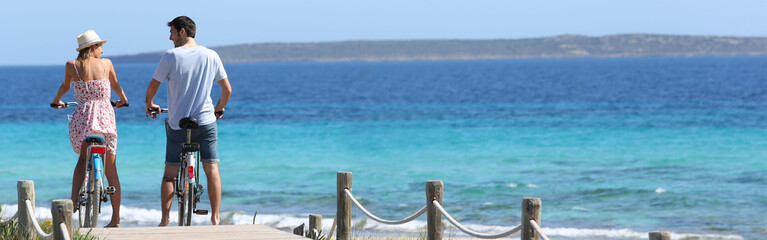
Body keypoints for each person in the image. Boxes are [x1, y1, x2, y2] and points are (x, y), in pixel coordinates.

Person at [145, 16, 232, 226]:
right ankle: (215, 218)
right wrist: (219, 108)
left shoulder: (171, 56)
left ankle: (165, 220)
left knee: (170, 174)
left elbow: (152, 87)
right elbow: (227, 89)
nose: (170, 37)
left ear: (182, 32)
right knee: (211, 168)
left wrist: (150, 104)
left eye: (172, 32)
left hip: (178, 124)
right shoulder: (211, 55)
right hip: (205, 122)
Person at [51, 30, 128, 228]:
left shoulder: (72, 66)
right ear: (93, 47)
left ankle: (74, 201)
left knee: (82, 159)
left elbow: (64, 86)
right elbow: (117, 85)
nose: (102, 50)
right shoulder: (106, 64)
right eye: (100, 46)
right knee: (111, 170)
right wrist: (124, 100)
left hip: (83, 119)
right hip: (105, 119)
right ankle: (116, 219)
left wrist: (56, 101)